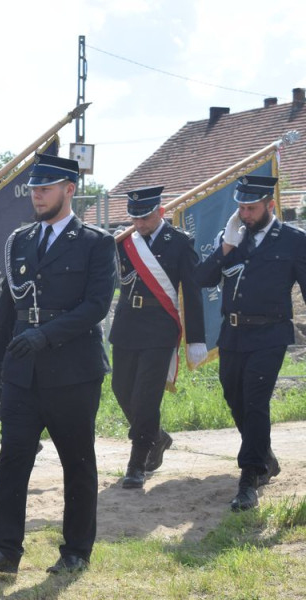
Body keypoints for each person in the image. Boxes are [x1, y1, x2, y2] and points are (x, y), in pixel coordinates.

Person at [0, 154, 116, 574]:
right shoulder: (20, 240)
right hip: (21, 368)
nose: (37, 195)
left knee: (77, 462)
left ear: (69, 190)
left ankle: (75, 552)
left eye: (46, 188)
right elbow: (6, 309)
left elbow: (95, 307)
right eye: (34, 188)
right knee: (13, 459)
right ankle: (5, 550)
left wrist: (45, 334)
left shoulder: (95, 242)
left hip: (72, 370)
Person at [193, 175, 306, 510]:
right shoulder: (231, 239)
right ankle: (264, 456)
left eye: (252, 208)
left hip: (270, 333)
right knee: (234, 395)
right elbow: (203, 278)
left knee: (255, 399)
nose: (245, 214)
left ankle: (249, 479)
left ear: (270, 206)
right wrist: (225, 247)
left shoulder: (293, 240)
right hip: (233, 333)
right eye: (241, 207)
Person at [112, 186, 207, 489]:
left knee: (146, 397)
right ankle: (156, 436)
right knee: (121, 389)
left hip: (159, 327)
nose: (139, 223)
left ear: (160, 212)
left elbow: (192, 294)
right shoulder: (124, 243)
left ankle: (137, 461)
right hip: (127, 325)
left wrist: (196, 339)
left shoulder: (180, 243)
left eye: (145, 217)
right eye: (134, 218)